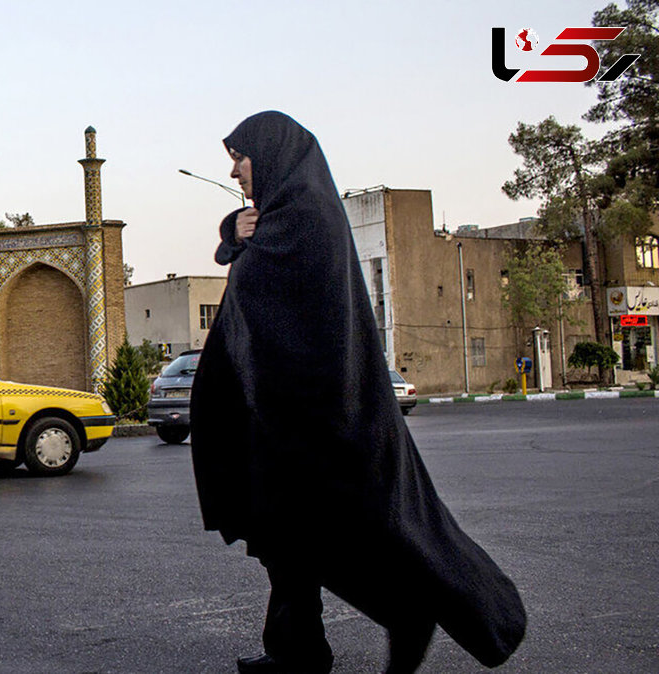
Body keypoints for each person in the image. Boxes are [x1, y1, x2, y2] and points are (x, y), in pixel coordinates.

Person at [189, 112, 526, 674]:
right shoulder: (280, 219)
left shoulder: (305, 223)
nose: (233, 170)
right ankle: (299, 651)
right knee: (286, 543)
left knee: (344, 535)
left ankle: (411, 612)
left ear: (268, 157)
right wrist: (235, 233)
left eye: (239, 158)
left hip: (313, 421)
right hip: (281, 422)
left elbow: (278, 317)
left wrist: (242, 242)